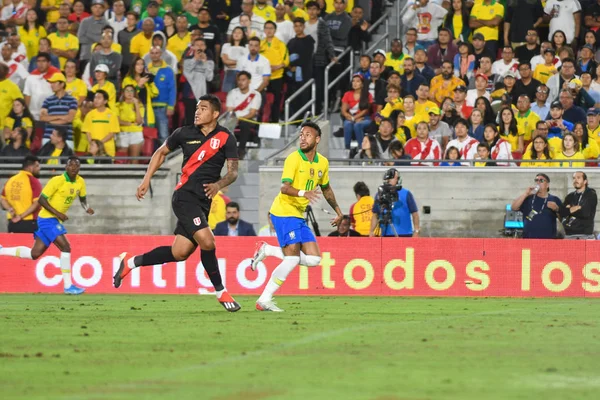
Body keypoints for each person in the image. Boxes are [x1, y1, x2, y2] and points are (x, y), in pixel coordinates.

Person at [112, 94, 242, 312]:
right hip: (184, 196)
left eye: (203, 108)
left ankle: (130, 263)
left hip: (204, 201)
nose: (197, 112)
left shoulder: (226, 137)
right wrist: (146, 180)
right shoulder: (183, 133)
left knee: (180, 253)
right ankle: (221, 292)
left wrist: (218, 185)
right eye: (197, 108)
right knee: (208, 243)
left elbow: (233, 172)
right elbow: (160, 153)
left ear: (215, 114)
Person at [250, 122, 343, 312]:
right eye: (301, 135)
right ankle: (264, 299)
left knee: (315, 260)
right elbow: (284, 188)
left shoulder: (322, 163)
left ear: (317, 139)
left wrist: (338, 211)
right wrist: (303, 193)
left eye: (307, 135)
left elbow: (325, 188)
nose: (303, 138)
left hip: (298, 215)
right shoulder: (293, 159)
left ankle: (268, 250)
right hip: (284, 211)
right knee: (291, 259)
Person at [0, 156, 95, 294]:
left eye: (76, 165)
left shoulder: (80, 182)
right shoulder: (57, 181)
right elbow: (42, 200)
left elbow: (83, 199)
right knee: (66, 247)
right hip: (47, 219)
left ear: (79, 168)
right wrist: (58, 214)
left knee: (34, 253)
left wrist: (87, 208)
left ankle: (2, 250)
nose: (74, 168)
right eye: (71, 165)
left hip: (54, 220)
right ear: (66, 167)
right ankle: (68, 286)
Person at [369, 168, 420, 237]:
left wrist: (416, 231)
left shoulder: (406, 193)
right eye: (392, 178)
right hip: (385, 233)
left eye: (395, 178)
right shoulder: (379, 195)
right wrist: (371, 231)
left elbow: (415, 214)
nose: (394, 179)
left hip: (404, 234)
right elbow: (375, 215)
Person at [511, 173, 562, 239]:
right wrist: (526, 194)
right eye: (536, 180)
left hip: (548, 241)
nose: (538, 182)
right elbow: (513, 207)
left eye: (541, 180)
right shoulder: (528, 198)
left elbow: (562, 219)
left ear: (547, 185)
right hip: (528, 239)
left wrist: (557, 209)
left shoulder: (555, 199)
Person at [0, 155, 41, 233]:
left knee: (14, 244)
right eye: (37, 166)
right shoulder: (33, 181)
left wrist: (10, 209)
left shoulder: (11, 180)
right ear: (30, 167)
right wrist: (21, 216)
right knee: (29, 245)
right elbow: (37, 203)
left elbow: (2, 199)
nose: (39, 168)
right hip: (29, 222)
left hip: (12, 222)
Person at [225, 71, 262, 159]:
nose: (240, 82)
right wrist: (234, 118)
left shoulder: (255, 95)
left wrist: (240, 118)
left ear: (249, 81)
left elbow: (252, 113)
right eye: (239, 80)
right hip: (234, 118)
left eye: (243, 80)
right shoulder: (232, 93)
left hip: (249, 119)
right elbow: (229, 110)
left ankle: (241, 150)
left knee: (245, 124)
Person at [559, 171, 597, 239]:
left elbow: (585, 213)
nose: (575, 180)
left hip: (584, 235)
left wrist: (569, 210)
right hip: (569, 235)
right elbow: (562, 212)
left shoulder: (591, 194)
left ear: (585, 181)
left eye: (578, 178)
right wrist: (575, 208)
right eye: (574, 178)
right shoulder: (570, 196)